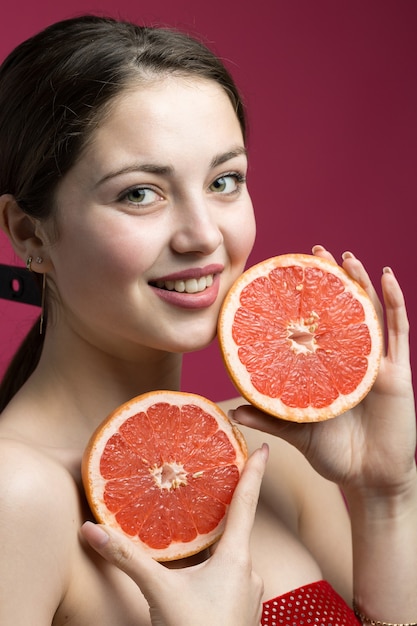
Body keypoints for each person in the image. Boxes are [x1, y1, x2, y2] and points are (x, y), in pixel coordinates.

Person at [0, 14, 416, 626]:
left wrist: (387, 497)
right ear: (28, 232)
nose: (204, 236)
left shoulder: (279, 457)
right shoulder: (16, 496)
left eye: (225, 181)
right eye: (140, 193)